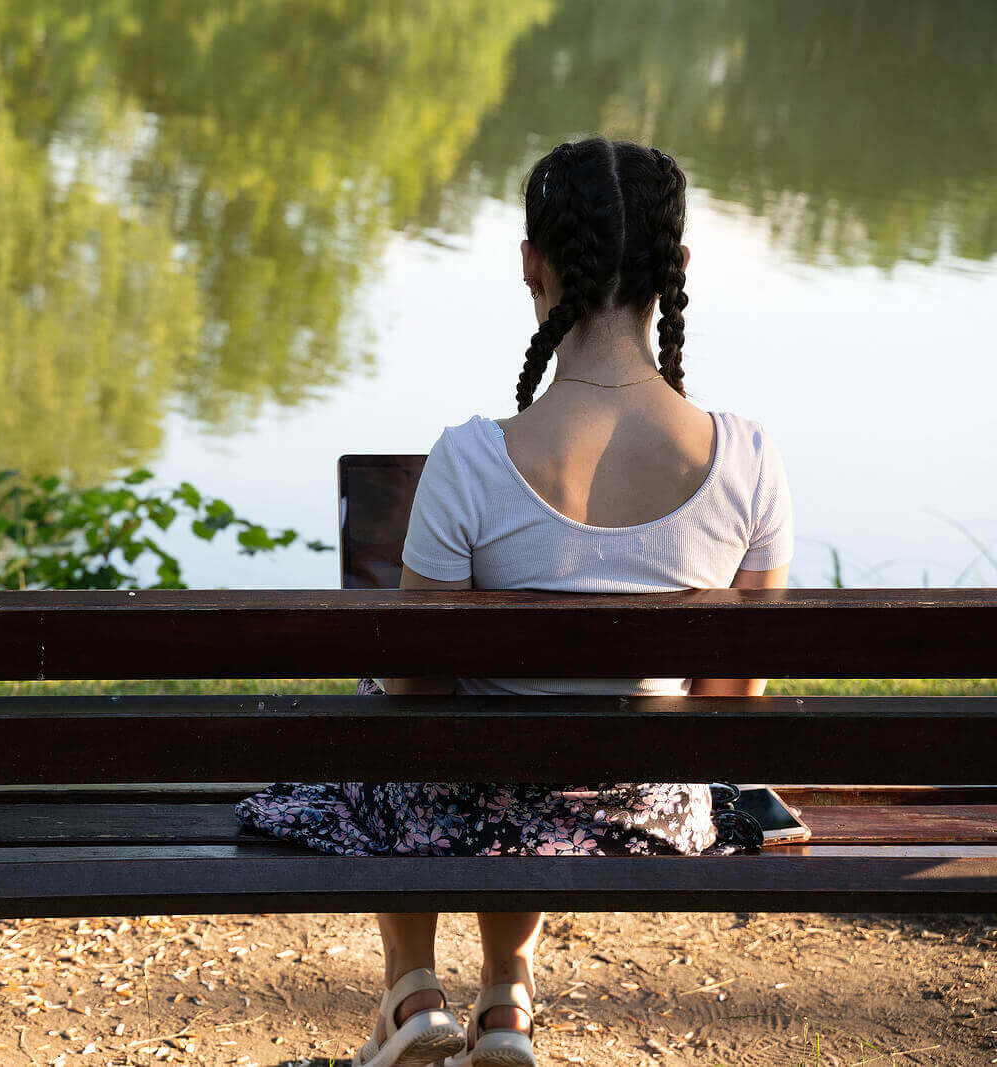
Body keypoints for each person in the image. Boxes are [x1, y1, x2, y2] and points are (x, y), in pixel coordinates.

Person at [235, 136, 794, 1067]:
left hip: (472, 796)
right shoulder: (746, 459)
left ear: (530, 265)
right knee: (503, 758)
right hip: (646, 811)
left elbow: (416, 691)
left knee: (398, 720)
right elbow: (733, 702)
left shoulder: (469, 460)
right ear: (677, 268)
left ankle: (415, 993)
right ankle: (506, 1006)